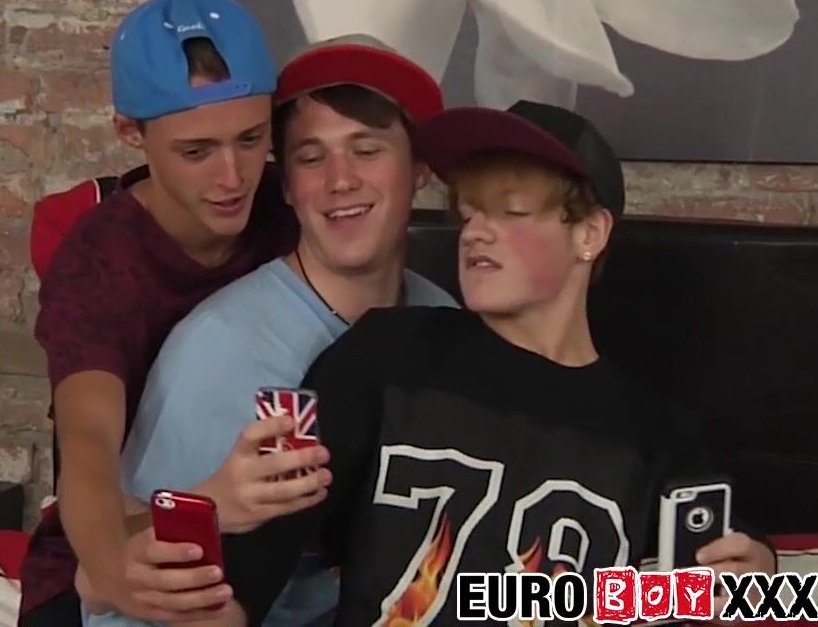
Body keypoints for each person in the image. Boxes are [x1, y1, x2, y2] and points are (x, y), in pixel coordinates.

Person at [210, 102, 779, 625]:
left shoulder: (653, 433)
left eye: (512, 211)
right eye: (469, 212)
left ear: (589, 233)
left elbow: (729, 571)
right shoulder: (386, 353)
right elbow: (248, 570)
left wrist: (755, 570)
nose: (475, 233)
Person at [80, 34, 460, 627]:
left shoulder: (446, 322)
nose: (340, 180)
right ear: (286, 186)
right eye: (311, 157)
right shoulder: (220, 350)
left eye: (366, 149)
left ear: (419, 171)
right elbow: (111, 591)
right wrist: (210, 507)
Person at [18, 0, 303, 627]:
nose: (232, 176)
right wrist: (113, 572)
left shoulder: (292, 209)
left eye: (251, 139)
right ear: (131, 132)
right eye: (196, 151)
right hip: (111, 549)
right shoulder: (98, 261)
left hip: (268, 556)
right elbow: (87, 446)